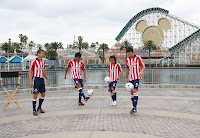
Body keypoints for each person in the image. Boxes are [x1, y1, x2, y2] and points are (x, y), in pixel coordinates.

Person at [29, 49, 49, 116]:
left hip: (41, 79)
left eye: (43, 54)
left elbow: (43, 71)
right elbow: (30, 71)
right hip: (36, 79)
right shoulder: (34, 61)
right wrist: (31, 81)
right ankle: (34, 110)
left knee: (43, 94)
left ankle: (39, 107)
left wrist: (47, 78)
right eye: (42, 53)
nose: (43, 55)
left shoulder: (43, 62)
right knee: (35, 94)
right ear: (38, 54)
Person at [126, 47, 146, 114]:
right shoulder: (127, 60)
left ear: (133, 52)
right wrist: (127, 77)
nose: (129, 55)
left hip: (137, 77)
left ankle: (134, 108)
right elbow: (127, 69)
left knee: (134, 90)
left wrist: (141, 71)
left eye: (130, 53)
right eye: (128, 54)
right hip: (131, 78)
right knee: (131, 92)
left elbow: (143, 66)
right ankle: (134, 107)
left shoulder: (138, 58)